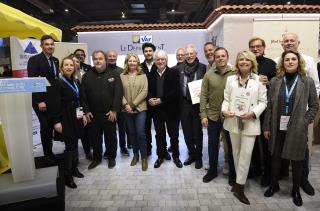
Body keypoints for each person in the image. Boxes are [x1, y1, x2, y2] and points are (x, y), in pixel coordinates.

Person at [263, 50, 319, 207]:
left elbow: (314, 105)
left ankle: (295, 190)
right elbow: (270, 105)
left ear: (298, 62)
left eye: (293, 59)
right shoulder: (275, 81)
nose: (290, 62)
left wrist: (304, 121)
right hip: (276, 124)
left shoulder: (306, 81)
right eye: (287, 59)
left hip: (296, 127)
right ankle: (274, 184)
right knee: (275, 156)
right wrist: (266, 126)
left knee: (296, 159)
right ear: (283, 63)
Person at [275, 32, 319, 195]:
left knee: (302, 149)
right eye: (286, 41)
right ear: (282, 44)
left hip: (301, 115)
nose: (289, 43)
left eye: (292, 40)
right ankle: (283, 173)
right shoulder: (278, 62)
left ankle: (303, 179)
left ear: (298, 42)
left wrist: (305, 117)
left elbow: (316, 85)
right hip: (282, 116)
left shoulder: (309, 60)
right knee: (281, 144)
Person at [222, 51, 267, 205]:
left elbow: (263, 101)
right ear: (237, 62)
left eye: (247, 59)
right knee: (235, 153)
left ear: (252, 62)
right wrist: (224, 110)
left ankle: (239, 186)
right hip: (233, 121)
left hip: (250, 122)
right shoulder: (230, 80)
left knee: (246, 154)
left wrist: (253, 113)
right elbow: (226, 98)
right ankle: (238, 183)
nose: (244, 62)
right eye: (241, 59)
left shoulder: (259, 80)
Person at [81, 50, 123, 170]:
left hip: (109, 113)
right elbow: (83, 96)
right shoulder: (87, 76)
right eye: (95, 59)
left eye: (100, 58)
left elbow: (118, 93)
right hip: (93, 114)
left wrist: (114, 110)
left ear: (105, 60)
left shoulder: (114, 74)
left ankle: (111, 157)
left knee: (111, 137)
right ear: (92, 60)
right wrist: (86, 111)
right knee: (95, 138)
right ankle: (97, 158)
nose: (98, 61)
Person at [200, 47, 235, 184]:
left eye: (223, 56)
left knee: (231, 146)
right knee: (212, 144)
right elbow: (203, 95)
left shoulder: (235, 73)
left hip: (230, 116)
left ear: (227, 57)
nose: (220, 58)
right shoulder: (208, 75)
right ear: (214, 59)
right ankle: (212, 171)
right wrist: (203, 115)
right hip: (213, 116)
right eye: (218, 56)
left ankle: (233, 173)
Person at [52, 57, 85, 188]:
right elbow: (54, 104)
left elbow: (79, 99)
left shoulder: (75, 81)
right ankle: (67, 176)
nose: (69, 67)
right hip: (65, 117)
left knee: (75, 143)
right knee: (69, 147)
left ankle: (74, 169)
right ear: (61, 67)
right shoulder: (58, 82)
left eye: (71, 65)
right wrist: (56, 122)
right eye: (66, 65)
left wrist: (82, 114)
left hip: (76, 115)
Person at [248, 37, 276, 186]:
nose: (255, 49)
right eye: (252, 47)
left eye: (258, 46)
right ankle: (256, 168)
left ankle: (267, 173)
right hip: (249, 110)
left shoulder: (271, 64)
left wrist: (269, 82)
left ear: (264, 48)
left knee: (265, 144)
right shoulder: (247, 63)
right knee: (252, 142)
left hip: (265, 110)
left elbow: (279, 84)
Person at [27, 35, 60, 164]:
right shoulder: (34, 60)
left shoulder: (56, 60)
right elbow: (33, 81)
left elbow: (54, 81)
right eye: (47, 44)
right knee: (45, 127)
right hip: (41, 101)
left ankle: (50, 153)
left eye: (52, 44)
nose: (50, 46)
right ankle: (47, 155)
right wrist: (39, 101)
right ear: (41, 46)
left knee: (51, 125)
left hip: (53, 100)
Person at [148, 50, 182, 168]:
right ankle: (160, 156)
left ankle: (176, 156)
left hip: (172, 110)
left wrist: (161, 99)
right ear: (155, 61)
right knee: (160, 135)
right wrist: (150, 98)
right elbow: (148, 91)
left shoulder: (174, 73)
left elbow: (176, 91)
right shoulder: (150, 74)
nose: (160, 61)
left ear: (166, 60)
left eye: (162, 59)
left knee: (174, 135)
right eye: (158, 59)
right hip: (157, 111)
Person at [179, 44, 207, 169]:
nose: (189, 56)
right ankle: (192, 155)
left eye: (191, 53)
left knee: (197, 132)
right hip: (184, 104)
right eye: (187, 54)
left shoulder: (203, 68)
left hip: (197, 105)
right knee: (186, 132)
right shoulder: (179, 68)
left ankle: (199, 157)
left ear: (196, 54)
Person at [120, 53, 148, 171]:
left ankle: (144, 158)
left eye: (134, 61)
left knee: (140, 133)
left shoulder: (143, 75)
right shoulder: (121, 76)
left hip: (140, 108)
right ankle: (135, 155)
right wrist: (126, 105)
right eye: (130, 61)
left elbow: (144, 92)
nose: (132, 63)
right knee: (131, 133)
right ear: (127, 62)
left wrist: (132, 104)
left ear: (138, 62)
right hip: (126, 109)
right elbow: (119, 92)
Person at [105, 49, 130, 157]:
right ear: (107, 57)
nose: (111, 58)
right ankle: (108, 150)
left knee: (122, 128)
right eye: (109, 56)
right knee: (109, 131)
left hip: (121, 106)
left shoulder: (122, 71)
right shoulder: (103, 70)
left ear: (116, 57)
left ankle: (123, 148)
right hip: (108, 106)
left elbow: (125, 89)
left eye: (113, 56)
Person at [71, 55, 93, 161]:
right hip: (75, 108)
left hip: (85, 106)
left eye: (77, 62)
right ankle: (75, 157)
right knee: (77, 130)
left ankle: (88, 152)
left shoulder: (84, 74)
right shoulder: (68, 76)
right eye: (73, 61)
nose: (76, 63)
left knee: (86, 131)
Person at [140, 43, 159, 157]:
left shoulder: (160, 64)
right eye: (146, 51)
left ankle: (162, 150)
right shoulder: (139, 67)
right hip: (144, 103)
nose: (148, 53)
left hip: (158, 103)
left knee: (159, 128)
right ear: (143, 53)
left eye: (150, 51)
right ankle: (148, 148)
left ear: (153, 52)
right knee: (146, 129)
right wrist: (148, 97)